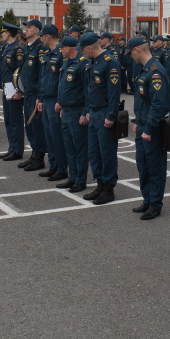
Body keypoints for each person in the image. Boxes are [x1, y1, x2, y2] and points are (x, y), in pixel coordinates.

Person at [129, 35, 170, 220]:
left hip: (152, 128)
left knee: (155, 167)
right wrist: (138, 122)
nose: (131, 57)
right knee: (143, 165)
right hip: (143, 125)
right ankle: (147, 199)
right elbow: (143, 101)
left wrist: (148, 128)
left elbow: (158, 105)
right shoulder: (144, 69)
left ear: (137, 50)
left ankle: (155, 204)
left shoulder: (155, 71)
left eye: (131, 53)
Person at [80, 32, 121, 205]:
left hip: (104, 112)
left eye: (82, 49)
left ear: (89, 48)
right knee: (94, 152)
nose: (82, 53)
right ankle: (100, 184)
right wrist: (87, 110)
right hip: (94, 111)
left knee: (107, 152)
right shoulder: (92, 62)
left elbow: (114, 93)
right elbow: (90, 89)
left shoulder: (110, 63)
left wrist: (111, 115)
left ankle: (108, 188)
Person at [55, 36, 89, 193]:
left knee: (79, 148)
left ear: (68, 48)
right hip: (66, 111)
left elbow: (87, 90)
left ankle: (80, 180)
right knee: (68, 147)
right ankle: (72, 177)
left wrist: (85, 112)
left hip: (77, 111)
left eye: (62, 48)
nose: (60, 50)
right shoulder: (66, 63)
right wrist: (61, 103)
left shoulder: (82, 64)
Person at [14, 19, 48, 171]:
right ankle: (34, 154)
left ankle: (39, 158)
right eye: (26, 27)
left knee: (37, 126)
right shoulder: (28, 48)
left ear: (37, 30)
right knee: (30, 126)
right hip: (27, 93)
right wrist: (20, 89)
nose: (26, 29)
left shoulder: (40, 49)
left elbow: (42, 75)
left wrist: (39, 96)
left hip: (35, 93)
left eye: (29, 27)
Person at [36, 24, 68, 181]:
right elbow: (43, 77)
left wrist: (61, 101)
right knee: (49, 136)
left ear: (48, 36)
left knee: (56, 137)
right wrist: (40, 97)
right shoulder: (47, 54)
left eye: (42, 36)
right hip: (46, 98)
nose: (41, 39)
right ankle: (53, 166)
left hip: (55, 99)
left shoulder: (61, 54)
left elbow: (63, 80)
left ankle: (62, 168)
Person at [0, 22, 25, 161]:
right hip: (6, 86)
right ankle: (12, 148)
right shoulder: (7, 48)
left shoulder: (18, 49)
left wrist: (19, 90)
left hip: (14, 88)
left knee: (16, 120)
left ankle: (18, 150)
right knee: (8, 119)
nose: (2, 35)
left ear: (8, 33)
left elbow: (20, 71)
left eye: (3, 33)